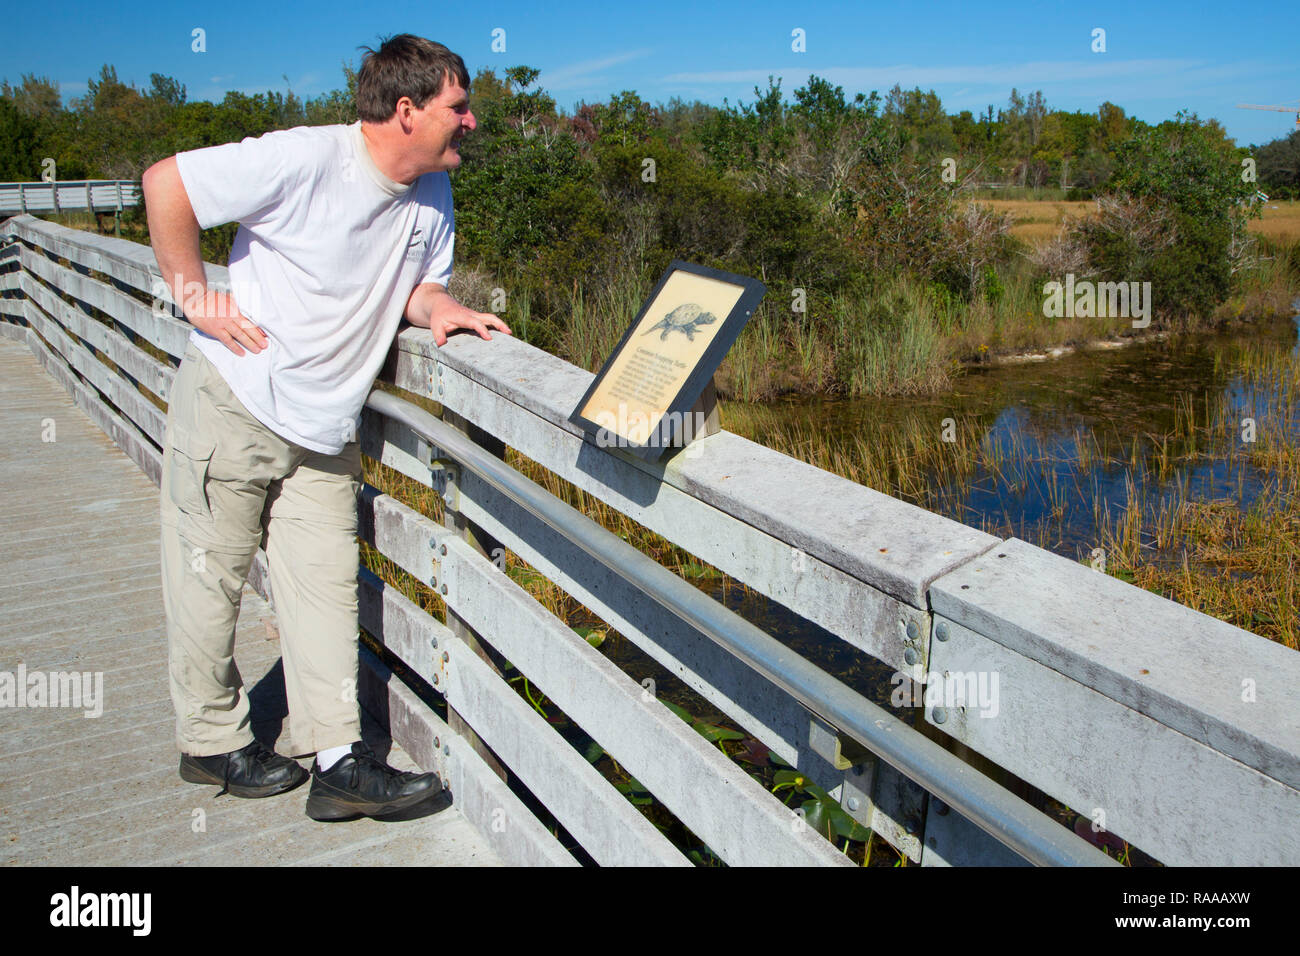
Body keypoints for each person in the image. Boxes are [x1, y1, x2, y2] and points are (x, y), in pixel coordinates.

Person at [143, 34, 510, 821]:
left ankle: (340, 761)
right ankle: (210, 740)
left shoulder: (433, 195)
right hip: (235, 402)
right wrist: (194, 294)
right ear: (407, 111)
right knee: (211, 585)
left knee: (326, 594)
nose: (471, 122)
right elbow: (166, 183)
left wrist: (441, 308)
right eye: (459, 106)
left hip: (326, 428)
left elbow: (417, 285)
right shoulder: (306, 159)